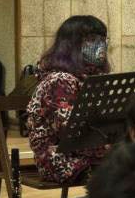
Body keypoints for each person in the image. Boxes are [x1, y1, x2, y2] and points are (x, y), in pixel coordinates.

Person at [27, 15, 111, 185]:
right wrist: (110, 149)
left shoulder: (90, 76)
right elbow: (71, 133)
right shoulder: (60, 80)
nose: (100, 45)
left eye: (103, 39)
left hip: (87, 154)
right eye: (92, 39)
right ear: (71, 45)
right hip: (60, 160)